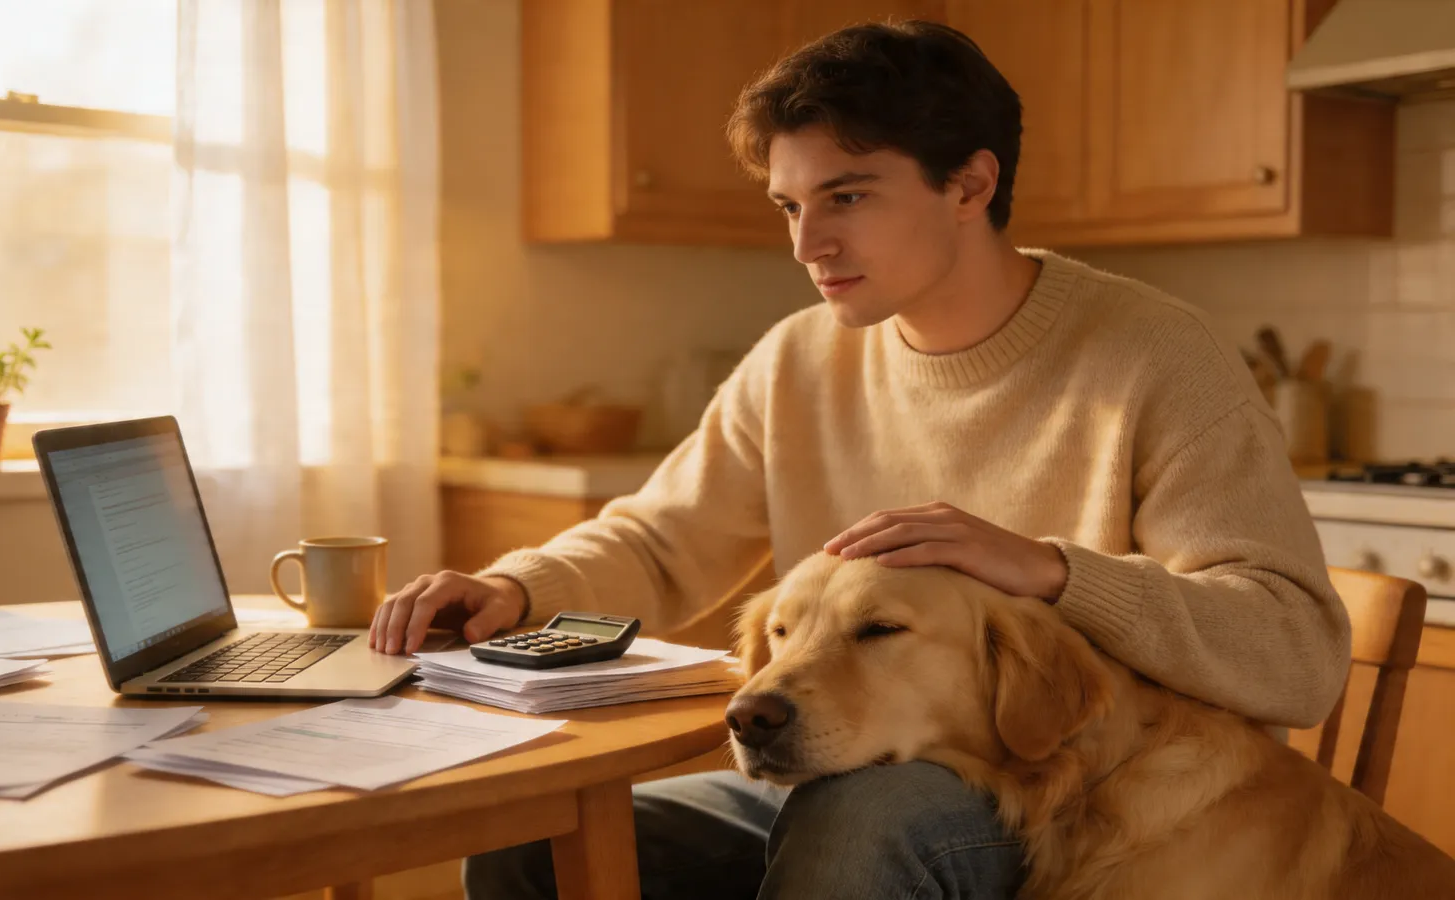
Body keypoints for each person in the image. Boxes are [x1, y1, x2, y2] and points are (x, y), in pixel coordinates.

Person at [369, 19, 1351, 900]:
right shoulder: (799, 357)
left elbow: (1296, 655)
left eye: (845, 195)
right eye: (789, 205)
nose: (808, 241)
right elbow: (663, 539)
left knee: (852, 829)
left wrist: (1051, 571)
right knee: (526, 848)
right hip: (852, 763)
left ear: (970, 184)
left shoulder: (1153, 355)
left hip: (1088, 792)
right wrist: (514, 590)